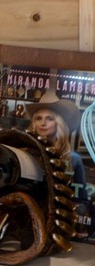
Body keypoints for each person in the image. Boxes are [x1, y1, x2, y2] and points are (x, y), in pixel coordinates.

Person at [25, 92, 92, 238]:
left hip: (60, 226)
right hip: (27, 223)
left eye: (50, 119)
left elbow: (81, 200)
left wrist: (78, 223)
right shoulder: (25, 154)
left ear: (59, 123)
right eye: (38, 118)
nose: (43, 123)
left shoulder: (73, 159)